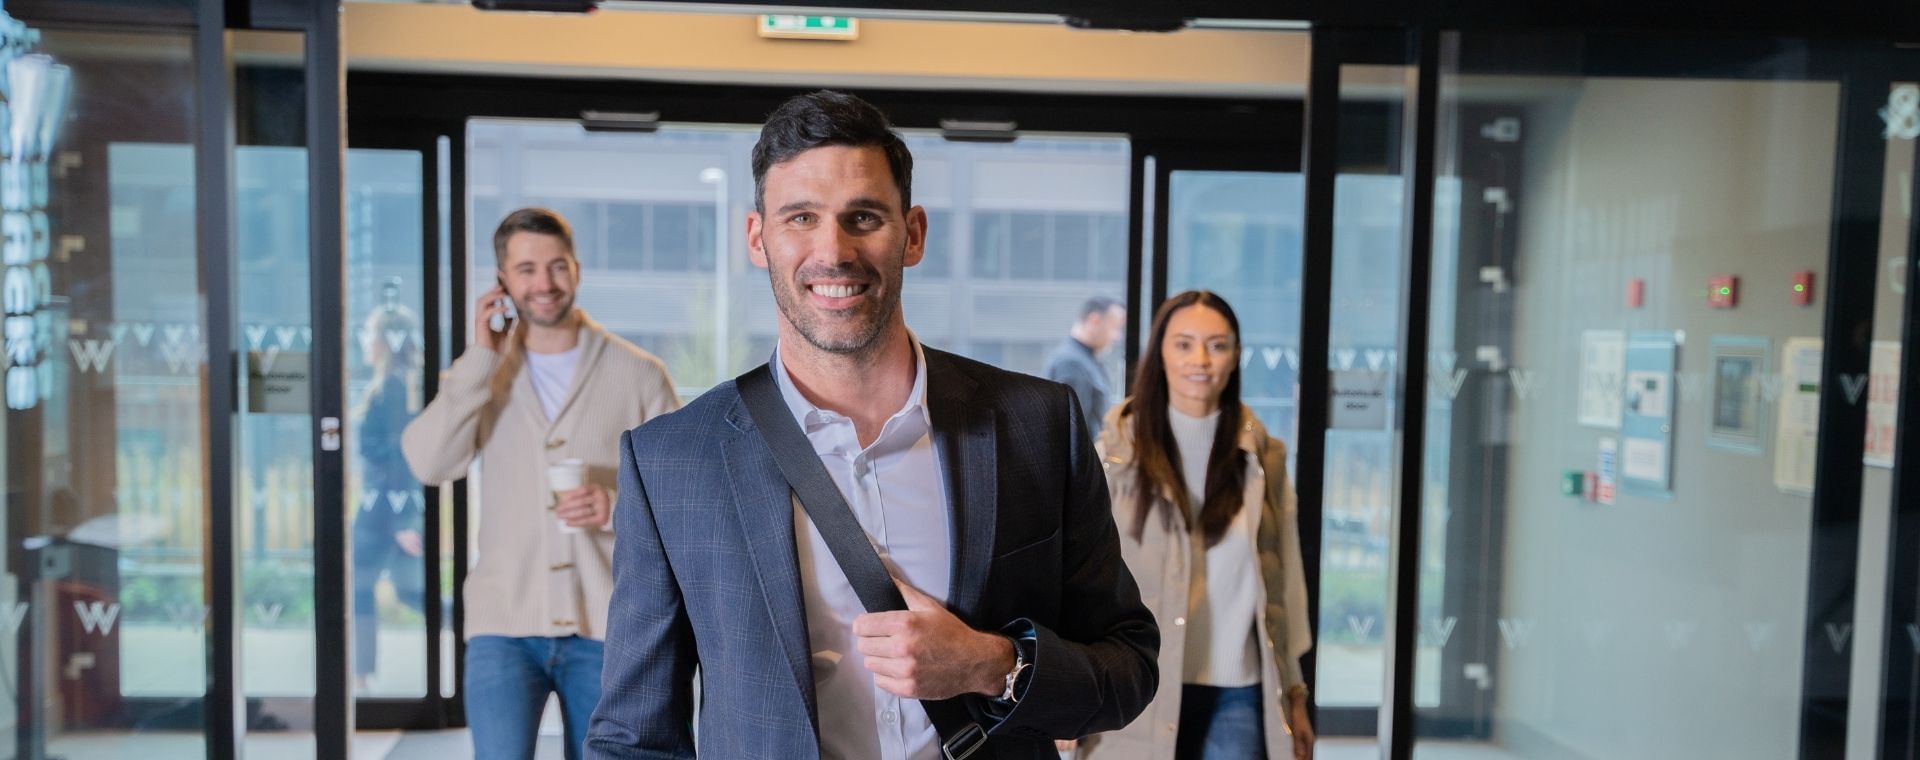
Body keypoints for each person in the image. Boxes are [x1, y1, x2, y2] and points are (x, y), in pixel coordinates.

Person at [586, 90, 1158, 760]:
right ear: (757, 238)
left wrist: (991, 664)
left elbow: (1128, 667)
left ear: (912, 234)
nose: (833, 251)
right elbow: (633, 738)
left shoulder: (1036, 425)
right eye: (801, 217)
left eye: (863, 217)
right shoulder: (673, 461)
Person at [402, 207, 680, 760]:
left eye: (556, 266)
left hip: (609, 624)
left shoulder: (639, 373)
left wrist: (615, 506)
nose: (544, 283)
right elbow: (430, 464)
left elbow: (683, 497)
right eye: (526, 270)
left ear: (576, 269)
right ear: (501, 281)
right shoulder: (485, 372)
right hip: (503, 624)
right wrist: (481, 356)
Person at [1078, 290, 1315, 760]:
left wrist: (1294, 692)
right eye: (1184, 344)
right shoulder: (1113, 458)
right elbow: (1083, 584)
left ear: (1236, 356)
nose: (1201, 360)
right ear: (1160, 353)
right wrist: (1069, 697)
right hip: (1137, 686)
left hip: (1238, 693)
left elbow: (1285, 582)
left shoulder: (1263, 459)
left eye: (1217, 345)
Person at [351, 291, 428, 692]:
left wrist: (403, 520)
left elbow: (401, 456)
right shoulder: (389, 386)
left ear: (386, 340)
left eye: (370, 333)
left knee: (387, 591)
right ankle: (360, 676)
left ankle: (485, 630)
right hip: (381, 508)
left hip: (384, 512)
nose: (365, 341)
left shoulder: (394, 388)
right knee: (394, 592)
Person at [1043, 295, 1126, 438]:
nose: (1118, 337)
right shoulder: (1072, 364)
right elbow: (1074, 431)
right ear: (1095, 321)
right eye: (1115, 327)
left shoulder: (1085, 359)